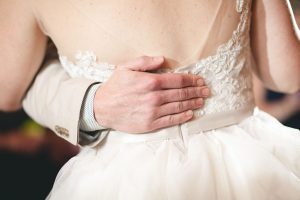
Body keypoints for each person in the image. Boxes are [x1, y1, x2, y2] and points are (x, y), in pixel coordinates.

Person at [1, 0, 300, 199]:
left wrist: (89, 104)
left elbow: (7, 91)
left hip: (125, 180)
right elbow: (288, 74)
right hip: (254, 160)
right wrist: (92, 104)